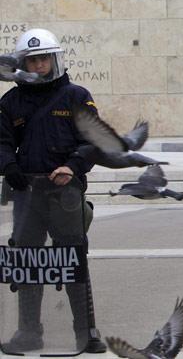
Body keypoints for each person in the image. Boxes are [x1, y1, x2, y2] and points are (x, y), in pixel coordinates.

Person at [0, 28, 106, 354]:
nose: (38, 65)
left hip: (65, 193)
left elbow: (93, 141)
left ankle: (85, 333)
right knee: (28, 263)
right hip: (26, 194)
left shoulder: (76, 96)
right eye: (31, 60)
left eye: (44, 58)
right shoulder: (11, 101)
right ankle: (29, 333)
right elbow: (1, 142)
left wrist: (72, 167)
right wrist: (10, 169)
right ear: (23, 63)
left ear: (54, 59)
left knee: (74, 262)